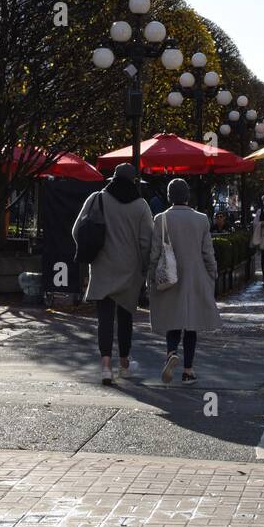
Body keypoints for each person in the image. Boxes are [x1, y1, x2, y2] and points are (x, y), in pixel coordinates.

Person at [73, 162, 153, 385]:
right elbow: (147, 241)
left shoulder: (96, 198)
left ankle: (106, 367)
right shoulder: (141, 206)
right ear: (133, 181)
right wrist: (145, 267)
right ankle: (125, 364)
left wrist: (90, 250)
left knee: (105, 319)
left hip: (102, 266)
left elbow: (76, 229)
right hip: (130, 270)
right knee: (126, 316)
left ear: (113, 178)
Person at [147, 178, 220, 386]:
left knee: (172, 320)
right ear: (188, 195)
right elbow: (207, 251)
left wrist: (151, 276)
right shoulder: (201, 219)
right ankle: (188, 371)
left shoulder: (160, 219)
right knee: (190, 325)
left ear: (169, 197)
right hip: (194, 277)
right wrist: (212, 273)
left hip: (169, 277)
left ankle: (171, 353)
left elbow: (155, 252)